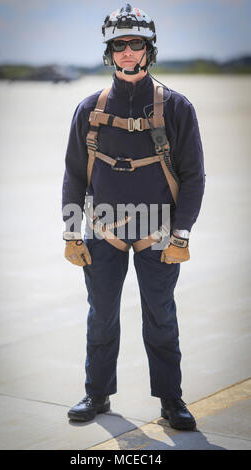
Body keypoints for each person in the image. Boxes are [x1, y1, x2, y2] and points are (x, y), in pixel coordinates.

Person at [62, 4, 205, 431]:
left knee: (160, 317)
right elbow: (73, 175)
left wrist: (182, 234)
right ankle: (97, 393)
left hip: (159, 231)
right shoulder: (89, 108)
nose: (127, 52)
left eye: (135, 44)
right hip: (102, 228)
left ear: (148, 49)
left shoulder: (177, 108)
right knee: (100, 315)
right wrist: (71, 232)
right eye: (119, 45)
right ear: (110, 52)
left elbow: (194, 176)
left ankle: (171, 400)